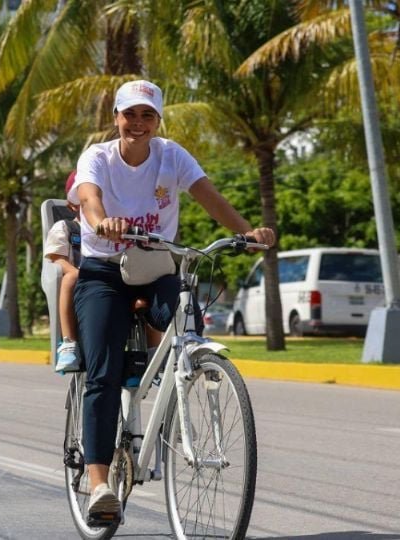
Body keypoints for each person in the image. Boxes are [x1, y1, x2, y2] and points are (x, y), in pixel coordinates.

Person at [71, 80, 276, 518]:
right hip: (104, 272)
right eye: (130, 115)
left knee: (190, 333)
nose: (138, 124)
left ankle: (176, 399)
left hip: (158, 268)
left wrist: (247, 232)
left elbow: (209, 197)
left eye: (148, 116)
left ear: (157, 120)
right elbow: (89, 198)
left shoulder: (171, 155)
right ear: (116, 118)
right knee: (103, 373)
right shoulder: (98, 157)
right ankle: (99, 484)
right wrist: (102, 221)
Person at [44, 171, 82, 372]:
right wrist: (74, 271)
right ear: (72, 205)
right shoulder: (65, 227)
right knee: (71, 277)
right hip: (79, 277)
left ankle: (153, 352)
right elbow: (56, 257)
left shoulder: (113, 226)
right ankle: (68, 343)